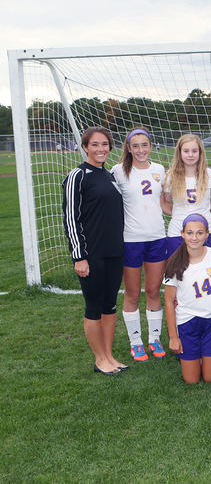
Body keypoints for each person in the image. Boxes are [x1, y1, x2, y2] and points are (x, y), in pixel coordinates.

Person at [63, 126, 127, 375]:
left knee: (109, 305)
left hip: (114, 251)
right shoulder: (77, 176)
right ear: (85, 147)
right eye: (95, 144)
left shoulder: (109, 175)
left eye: (105, 145)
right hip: (91, 254)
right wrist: (79, 256)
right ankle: (99, 358)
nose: (100, 149)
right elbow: (71, 219)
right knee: (94, 306)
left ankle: (110, 356)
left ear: (110, 147)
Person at [110, 127, 170, 362]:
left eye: (144, 145)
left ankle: (154, 339)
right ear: (128, 148)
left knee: (154, 291)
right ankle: (136, 343)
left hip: (157, 237)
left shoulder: (159, 170)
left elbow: (163, 203)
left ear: (151, 146)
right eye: (135, 146)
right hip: (131, 240)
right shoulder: (118, 171)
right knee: (133, 293)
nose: (140, 150)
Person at [163, 214, 211, 384]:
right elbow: (169, 302)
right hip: (187, 322)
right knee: (191, 380)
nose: (194, 237)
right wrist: (173, 337)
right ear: (182, 234)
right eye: (190, 233)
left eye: (199, 233)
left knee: (209, 378)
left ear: (207, 234)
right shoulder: (174, 263)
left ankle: (204, 354)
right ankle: (197, 355)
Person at [163, 134, 211, 258]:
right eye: (186, 151)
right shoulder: (171, 176)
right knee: (178, 272)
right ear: (179, 153)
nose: (190, 155)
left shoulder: (209, 174)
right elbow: (165, 203)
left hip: (205, 230)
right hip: (178, 231)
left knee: (206, 271)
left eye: (194, 151)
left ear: (200, 152)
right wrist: (180, 214)